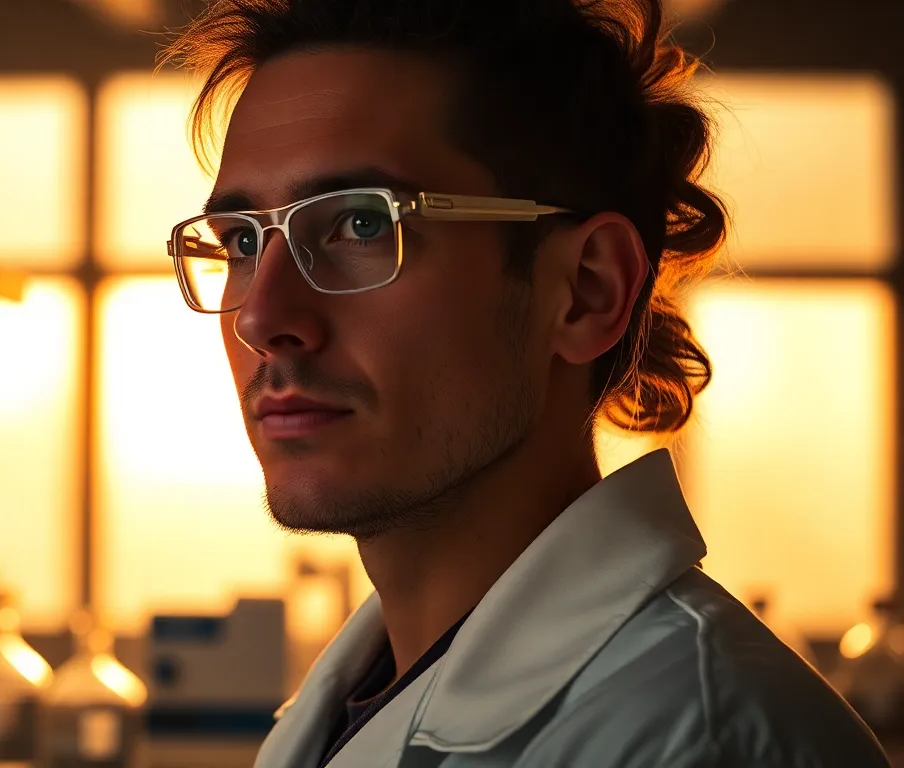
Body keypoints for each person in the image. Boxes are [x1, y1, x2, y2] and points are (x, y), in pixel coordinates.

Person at [159, 1, 890, 766]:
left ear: (586, 290)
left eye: (363, 224)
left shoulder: (694, 739)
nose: (261, 317)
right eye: (241, 242)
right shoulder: (340, 709)